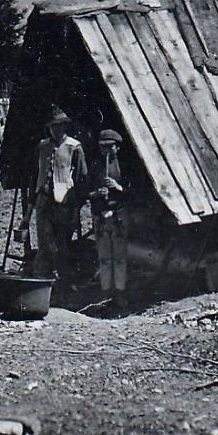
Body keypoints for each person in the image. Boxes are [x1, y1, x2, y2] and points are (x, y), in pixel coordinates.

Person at [32, 107, 88, 284]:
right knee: (44, 243)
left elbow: (81, 177)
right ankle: (43, 282)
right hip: (44, 200)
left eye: (59, 126)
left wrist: (76, 204)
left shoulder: (74, 147)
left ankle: (63, 283)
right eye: (52, 126)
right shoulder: (43, 146)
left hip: (64, 201)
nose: (56, 130)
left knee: (62, 244)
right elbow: (36, 174)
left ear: (65, 127)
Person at [91, 129, 129, 308]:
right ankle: (106, 293)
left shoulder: (125, 166)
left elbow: (136, 192)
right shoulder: (96, 167)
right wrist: (97, 193)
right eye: (102, 147)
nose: (106, 151)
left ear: (117, 147)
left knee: (119, 257)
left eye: (109, 147)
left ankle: (120, 292)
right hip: (100, 216)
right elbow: (84, 192)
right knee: (104, 257)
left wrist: (118, 187)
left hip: (119, 215)